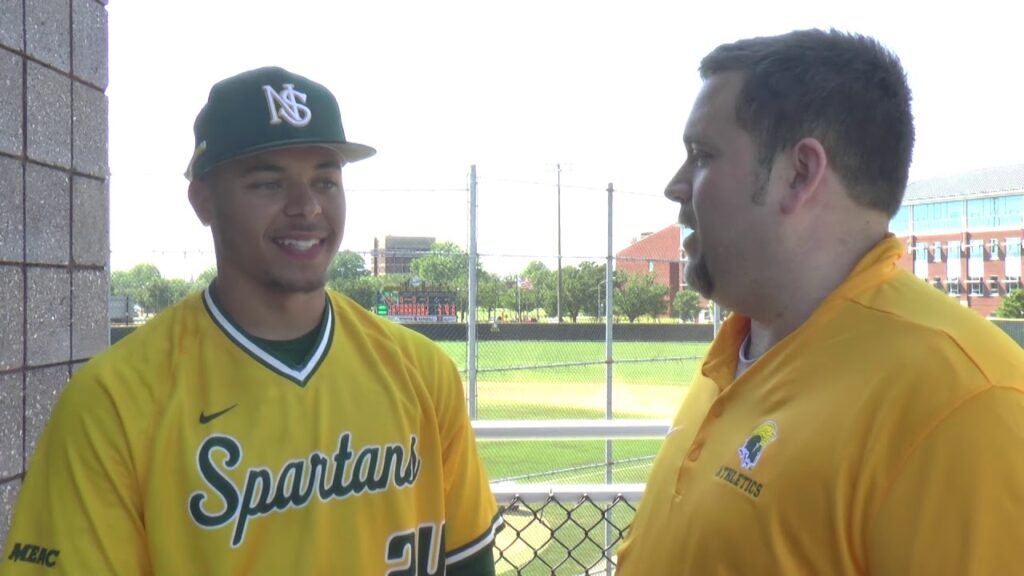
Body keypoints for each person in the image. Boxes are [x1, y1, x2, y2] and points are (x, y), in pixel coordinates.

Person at [4, 67, 503, 575]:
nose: (305, 206)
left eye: (325, 180)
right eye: (268, 182)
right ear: (203, 199)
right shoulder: (112, 404)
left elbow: (468, 561)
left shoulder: (422, 372)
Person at [616, 29, 1024, 575]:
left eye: (702, 155)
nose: (675, 186)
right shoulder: (741, 348)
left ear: (800, 173)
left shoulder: (961, 402)